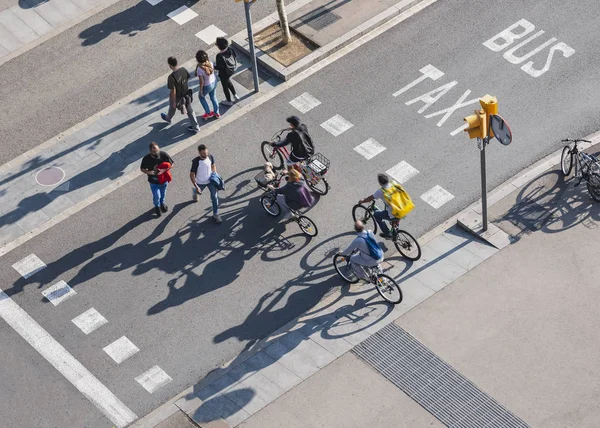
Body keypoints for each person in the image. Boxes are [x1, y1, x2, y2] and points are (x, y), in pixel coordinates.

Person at [160, 56, 200, 133]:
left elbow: (173, 91)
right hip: (186, 95)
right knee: (190, 111)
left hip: (178, 97)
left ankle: (168, 118)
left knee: (172, 107)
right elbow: (187, 78)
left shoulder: (171, 77)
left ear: (170, 65)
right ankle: (196, 126)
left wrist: (174, 101)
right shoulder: (183, 70)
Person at [358, 173, 398, 239]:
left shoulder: (381, 191)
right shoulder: (394, 183)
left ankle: (387, 234)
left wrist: (362, 201)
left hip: (394, 213)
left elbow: (369, 198)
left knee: (376, 215)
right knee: (394, 218)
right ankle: (395, 231)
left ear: (380, 183)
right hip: (402, 209)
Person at [190, 144, 222, 224]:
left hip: (210, 181)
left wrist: (215, 175)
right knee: (197, 192)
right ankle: (194, 191)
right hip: (200, 183)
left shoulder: (210, 156)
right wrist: (196, 186)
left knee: (214, 197)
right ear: (199, 153)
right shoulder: (196, 162)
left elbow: (213, 166)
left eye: (206, 152)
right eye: (203, 153)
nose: (206, 155)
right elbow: (191, 175)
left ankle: (216, 213)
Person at [140, 142, 174, 217]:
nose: (156, 153)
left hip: (164, 180)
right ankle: (157, 206)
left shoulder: (163, 154)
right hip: (154, 182)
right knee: (156, 196)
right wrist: (149, 172)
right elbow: (142, 169)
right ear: (150, 151)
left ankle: (162, 203)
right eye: (154, 151)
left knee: (163, 194)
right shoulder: (146, 158)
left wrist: (164, 170)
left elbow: (172, 164)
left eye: (157, 150)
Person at [214, 37, 239, 106]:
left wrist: (212, 67)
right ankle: (235, 95)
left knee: (225, 87)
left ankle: (229, 101)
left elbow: (219, 67)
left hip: (224, 73)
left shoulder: (219, 56)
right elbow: (235, 56)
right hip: (231, 70)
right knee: (228, 81)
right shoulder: (230, 49)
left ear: (219, 46)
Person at [195, 50, 220, 120]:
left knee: (201, 97)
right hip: (214, 82)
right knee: (213, 97)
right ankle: (216, 112)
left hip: (207, 85)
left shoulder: (199, 69)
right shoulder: (210, 63)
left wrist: (200, 91)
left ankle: (208, 113)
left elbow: (201, 82)